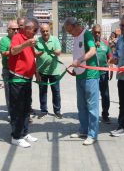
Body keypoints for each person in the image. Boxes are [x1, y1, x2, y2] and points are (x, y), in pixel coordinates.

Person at [64, 17, 100, 146]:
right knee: (81, 106)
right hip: (79, 75)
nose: (70, 34)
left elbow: (92, 51)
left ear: (75, 26)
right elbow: (77, 53)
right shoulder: (76, 37)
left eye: (70, 31)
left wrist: (79, 61)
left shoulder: (87, 34)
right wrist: (75, 68)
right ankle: (84, 130)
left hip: (90, 75)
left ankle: (92, 134)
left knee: (92, 106)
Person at [8, 18, 40, 148]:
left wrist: (36, 73)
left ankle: (24, 132)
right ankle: (16, 136)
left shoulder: (30, 41)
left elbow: (32, 58)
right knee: (17, 108)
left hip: (27, 80)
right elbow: (13, 51)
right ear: (27, 28)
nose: (36, 32)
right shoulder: (18, 37)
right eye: (35, 30)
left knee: (27, 108)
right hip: (17, 79)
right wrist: (26, 44)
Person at [36, 23, 62, 119]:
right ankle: (43, 110)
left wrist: (52, 50)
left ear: (49, 31)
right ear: (40, 32)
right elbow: (34, 54)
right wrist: (40, 52)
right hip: (42, 71)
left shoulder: (55, 39)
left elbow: (59, 52)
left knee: (56, 91)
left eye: (47, 31)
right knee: (42, 91)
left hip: (54, 71)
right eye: (43, 31)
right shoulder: (37, 41)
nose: (45, 33)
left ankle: (57, 110)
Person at [92, 24, 112, 123]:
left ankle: (105, 115)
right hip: (92, 73)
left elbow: (110, 57)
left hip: (103, 73)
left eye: (98, 32)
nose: (97, 34)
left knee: (105, 95)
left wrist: (111, 67)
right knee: (92, 95)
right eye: (95, 32)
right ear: (92, 32)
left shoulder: (106, 43)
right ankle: (93, 115)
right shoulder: (89, 43)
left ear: (101, 32)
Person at [0, 20, 19, 116]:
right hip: (8, 70)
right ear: (8, 30)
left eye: (17, 29)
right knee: (9, 93)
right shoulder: (4, 40)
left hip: (19, 70)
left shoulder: (20, 39)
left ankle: (21, 113)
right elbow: (3, 53)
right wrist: (15, 52)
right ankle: (11, 114)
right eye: (13, 29)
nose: (16, 31)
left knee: (19, 93)